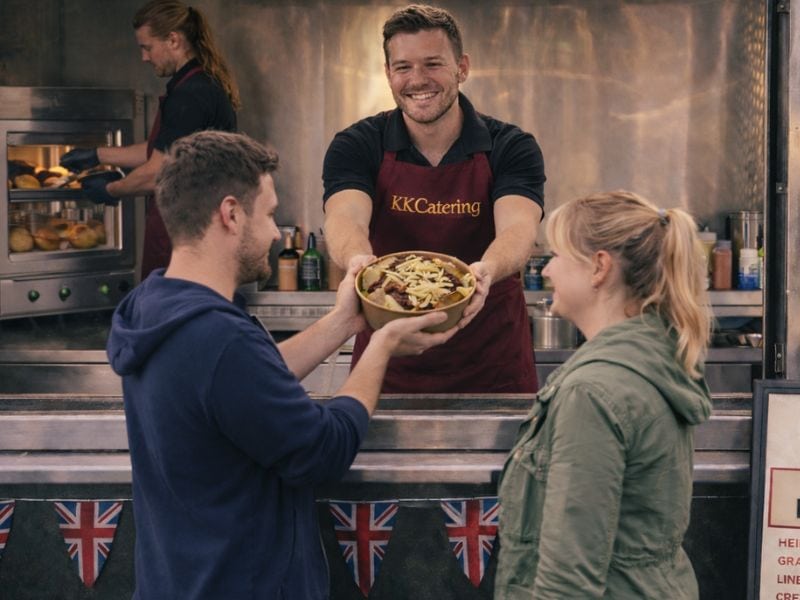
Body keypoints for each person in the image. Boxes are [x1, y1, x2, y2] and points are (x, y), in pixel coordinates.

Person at [106, 130, 457, 599]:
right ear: (230, 214)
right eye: (269, 214)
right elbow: (323, 449)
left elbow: (250, 381)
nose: (275, 232)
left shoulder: (156, 304)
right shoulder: (218, 338)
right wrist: (380, 346)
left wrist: (347, 322)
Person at [494, 190, 713, 599]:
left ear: (599, 267)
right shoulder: (654, 360)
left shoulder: (592, 393)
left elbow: (568, 583)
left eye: (557, 255)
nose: (547, 271)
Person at [322, 4, 545, 393]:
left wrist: (484, 272)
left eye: (433, 64)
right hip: (388, 362)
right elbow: (346, 217)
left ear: (462, 67)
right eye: (403, 67)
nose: (418, 79)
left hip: (491, 362)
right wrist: (357, 261)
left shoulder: (511, 146)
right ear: (389, 74)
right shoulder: (357, 144)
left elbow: (519, 227)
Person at [61, 0, 238, 279]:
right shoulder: (196, 85)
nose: (144, 57)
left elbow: (158, 172)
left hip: (190, 235)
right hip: (190, 231)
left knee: (172, 314)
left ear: (173, 40)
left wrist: (112, 190)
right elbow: (163, 149)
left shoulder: (191, 95)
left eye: (147, 47)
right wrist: (98, 155)